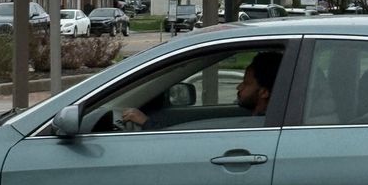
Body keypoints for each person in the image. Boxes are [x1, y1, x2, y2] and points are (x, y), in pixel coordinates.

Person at [121, 50, 283, 129]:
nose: (238, 87)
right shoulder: (266, 121)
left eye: (246, 83)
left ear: (264, 92)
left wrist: (148, 124)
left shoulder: (257, 127)